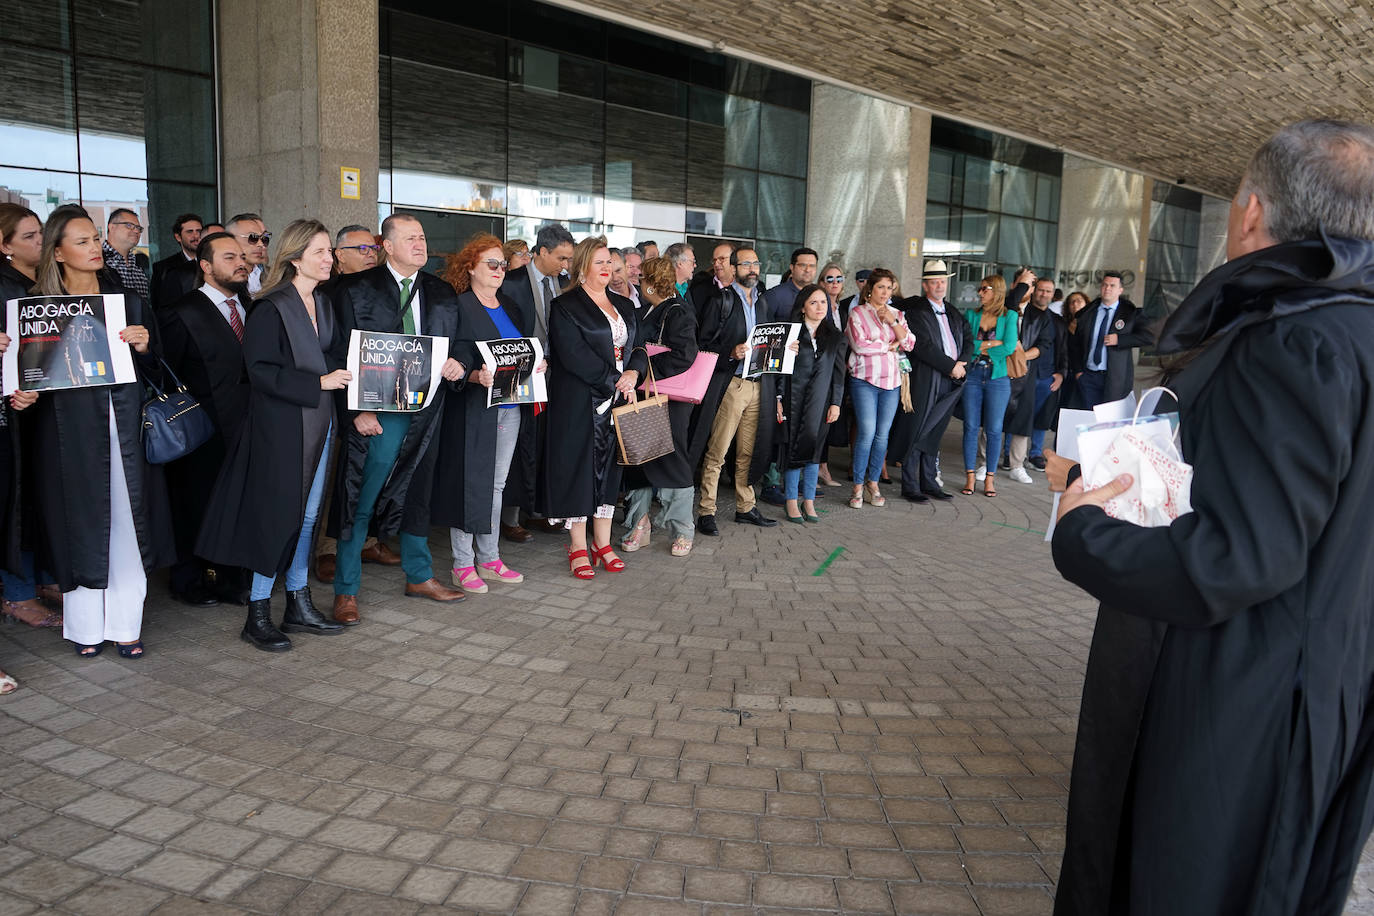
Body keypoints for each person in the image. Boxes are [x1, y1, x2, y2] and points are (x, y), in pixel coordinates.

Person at [1047, 119, 1374, 916]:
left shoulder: (1298, 342)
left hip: (1239, 699)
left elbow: (1235, 558)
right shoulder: (1353, 330)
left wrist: (1082, 531)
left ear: (1253, 212)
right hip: (1330, 679)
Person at [197, 219, 352, 651]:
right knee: (277, 517)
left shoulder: (322, 302)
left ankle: (298, 603)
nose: (329, 258)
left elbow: (333, 355)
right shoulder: (270, 307)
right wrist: (316, 384)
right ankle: (258, 613)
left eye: (329, 252)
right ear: (296, 256)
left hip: (320, 424)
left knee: (307, 517)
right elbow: (259, 372)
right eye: (321, 251)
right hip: (280, 429)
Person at [30, 206, 173, 658]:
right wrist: (20, 391)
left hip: (124, 422)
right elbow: (29, 379)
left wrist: (145, 346)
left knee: (128, 519)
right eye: (82, 241)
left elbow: (158, 370)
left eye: (95, 239)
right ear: (57, 252)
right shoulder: (36, 310)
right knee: (78, 518)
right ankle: (86, 627)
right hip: (64, 429)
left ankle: (127, 623)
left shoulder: (127, 301)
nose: (94, 248)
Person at [326, 213, 467, 623]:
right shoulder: (355, 289)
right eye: (410, 239)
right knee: (362, 496)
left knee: (418, 493)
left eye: (422, 238)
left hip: (427, 410)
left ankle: (419, 575)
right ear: (386, 246)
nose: (420, 245)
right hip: (378, 413)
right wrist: (357, 409)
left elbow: (459, 341)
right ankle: (346, 589)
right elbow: (338, 351)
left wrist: (459, 360)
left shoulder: (441, 291)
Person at [433, 234, 533, 593]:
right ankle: (463, 563)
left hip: (510, 406)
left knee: (496, 485)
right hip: (474, 407)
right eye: (491, 263)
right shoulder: (459, 306)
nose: (499, 270)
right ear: (470, 267)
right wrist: (473, 374)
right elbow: (457, 353)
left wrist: (535, 364)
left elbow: (522, 349)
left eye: (503, 264)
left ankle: (489, 557)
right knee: (469, 483)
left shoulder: (511, 305)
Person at [540, 236, 645, 577]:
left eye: (610, 264)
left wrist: (633, 372)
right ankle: (578, 546)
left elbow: (640, 347)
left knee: (610, 473)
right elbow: (573, 356)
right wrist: (614, 381)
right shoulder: (565, 306)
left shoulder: (625, 305)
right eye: (599, 262)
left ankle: (603, 543)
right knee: (579, 472)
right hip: (580, 404)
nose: (606, 270)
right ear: (582, 266)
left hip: (617, 401)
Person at [159, 232, 253, 608]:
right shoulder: (182, 312)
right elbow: (169, 375)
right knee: (195, 503)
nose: (240, 263)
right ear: (205, 266)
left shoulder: (251, 305)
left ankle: (231, 577)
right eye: (229, 257)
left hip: (247, 425)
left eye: (242, 257)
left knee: (236, 505)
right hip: (201, 430)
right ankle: (189, 579)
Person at [0, 204, 59, 630]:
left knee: (39, 495)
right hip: (12, 411)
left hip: (43, 405)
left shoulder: (41, 282)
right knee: (14, 502)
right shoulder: (4, 286)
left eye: (41, 233)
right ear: (4, 246)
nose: (40, 242)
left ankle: (39, 578)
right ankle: (16, 591)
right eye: (29, 237)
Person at [693, 246, 780, 533]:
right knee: (718, 450)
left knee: (747, 451)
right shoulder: (721, 300)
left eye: (756, 263)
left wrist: (783, 349)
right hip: (731, 384)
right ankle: (707, 511)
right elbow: (703, 345)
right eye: (746, 264)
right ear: (733, 267)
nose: (752, 269)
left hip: (758, 385)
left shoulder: (763, 302)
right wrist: (731, 352)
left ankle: (746, 506)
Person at [499, 223, 574, 542]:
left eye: (569, 259)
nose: (565, 265)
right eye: (561, 258)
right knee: (519, 447)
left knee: (546, 445)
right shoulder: (513, 282)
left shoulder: (565, 284)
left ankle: (539, 510)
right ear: (541, 252)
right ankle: (510, 517)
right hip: (522, 375)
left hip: (557, 378)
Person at [619, 256, 699, 557]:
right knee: (639, 459)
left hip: (669, 399)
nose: (637, 284)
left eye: (641, 280)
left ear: (650, 284)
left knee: (673, 459)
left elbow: (685, 355)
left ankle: (682, 528)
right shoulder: (653, 309)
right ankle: (640, 525)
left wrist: (642, 367)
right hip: (648, 394)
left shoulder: (678, 312)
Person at [893, 259, 971, 503]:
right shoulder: (916, 312)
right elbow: (922, 347)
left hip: (952, 379)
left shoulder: (954, 311)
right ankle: (910, 485)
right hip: (926, 379)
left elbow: (969, 339)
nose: (939, 285)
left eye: (942, 281)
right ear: (925, 285)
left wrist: (961, 364)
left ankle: (929, 482)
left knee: (936, 431)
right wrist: (951, 366)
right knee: (917, 429)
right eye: (934, 282)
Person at [775, 284, 845, 523]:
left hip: (821, 402)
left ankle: (809, 501)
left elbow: (839, 374)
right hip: (794, 400)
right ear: (803, 307)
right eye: (813, 302)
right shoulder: (790, 334)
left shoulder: (835, 336)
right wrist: (779, 399)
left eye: (823, 302)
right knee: (795, 449)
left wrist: (836, 403)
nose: (819, 307)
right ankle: (791, 501)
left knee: (815, 451)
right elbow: (779, 373)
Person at [844, 268, 912, 509]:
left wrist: (893, 323)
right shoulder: (857, 314)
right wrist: (890, 345)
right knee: (866, 432)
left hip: (892, 382)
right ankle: (857, 486)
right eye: (881, 287)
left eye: (890, 288)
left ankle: (873, 483)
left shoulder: (897, 314)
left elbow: (910, 343)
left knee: (883, 435)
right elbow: (860, 346)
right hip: (865, 380)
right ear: (870, 288)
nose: (885, 292)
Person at [960, 275, 1017, 498]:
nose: (980, 293)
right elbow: (966, 345)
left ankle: (990, 478)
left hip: (998, 378)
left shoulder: (1009, 316)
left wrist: (981, 347)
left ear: (997, 291)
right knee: (971, 427)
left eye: (985, 289)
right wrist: (991, 344)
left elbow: (1010, 347)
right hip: (973, 375)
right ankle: (971, 477)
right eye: (980, 288)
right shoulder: (971, 315)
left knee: (993, 430)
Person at [1069, 270, 1151, 408]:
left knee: (1109, 420)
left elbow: (1148, 337)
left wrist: (1120, 340)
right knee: (1088, 418)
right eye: (1105, 285)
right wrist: (1078, 372)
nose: (1107, 288)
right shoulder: (1089, 312)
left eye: (1112, 286)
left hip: (1114, 377)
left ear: (1120, 290)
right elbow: (1075, 344)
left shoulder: (1130, 313)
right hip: (1088, 376)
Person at [1002, 270, 1055, 483]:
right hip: (1000, 371)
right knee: (994, 418)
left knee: (1023, 418)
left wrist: (1021, 356)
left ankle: (1017, 465)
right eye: (1023, 285)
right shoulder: (1003, 307)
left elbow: (1043, 344)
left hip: (1026, 373)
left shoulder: (1040, 315)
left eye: (1030, 286)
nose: (1027, 289)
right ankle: (984, 464)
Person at [150, 212, 203, 308]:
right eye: (190, 232)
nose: (196, 236)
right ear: (178, 237)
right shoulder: (163, 268)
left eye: (199, 231)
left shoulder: (212, 263)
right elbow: (158, 306)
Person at [101, 208, 150, 300]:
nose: (136, 231)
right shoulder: (98, 260)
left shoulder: (139, 264)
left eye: (139, 228)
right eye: (129, 225)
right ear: (112, 227)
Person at [762, 247, 819, 321]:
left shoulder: (822, 295)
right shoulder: (774, 295)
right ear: (792, 267)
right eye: (803, 265)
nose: (807, 270)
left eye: (812, 266)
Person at [226, 213, 271, 295]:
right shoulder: (218, 279)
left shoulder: (275, 277)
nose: (261, 244)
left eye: (265, 238)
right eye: (253, 237)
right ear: (231, 239)